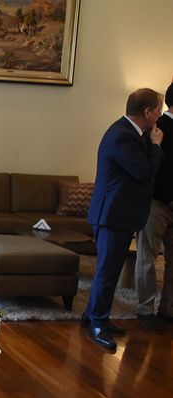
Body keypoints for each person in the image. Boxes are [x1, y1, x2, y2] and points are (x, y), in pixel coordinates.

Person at [84, 88, 164, 350]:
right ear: (147, 111)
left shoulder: (131, 132)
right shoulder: (122, 135)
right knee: (107, 273)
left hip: (120, 215)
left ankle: (92, 316)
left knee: (110, 271)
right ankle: (97, 323)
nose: (161, 114)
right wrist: (156, 146)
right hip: (112, 215)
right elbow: (143, 171)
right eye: (159, 109)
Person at [134, 83, 173, 330]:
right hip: (156, 203)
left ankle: (168, 310)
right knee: (147, 258)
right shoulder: (157, 129)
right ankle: (145, 310)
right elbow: (151, 169)